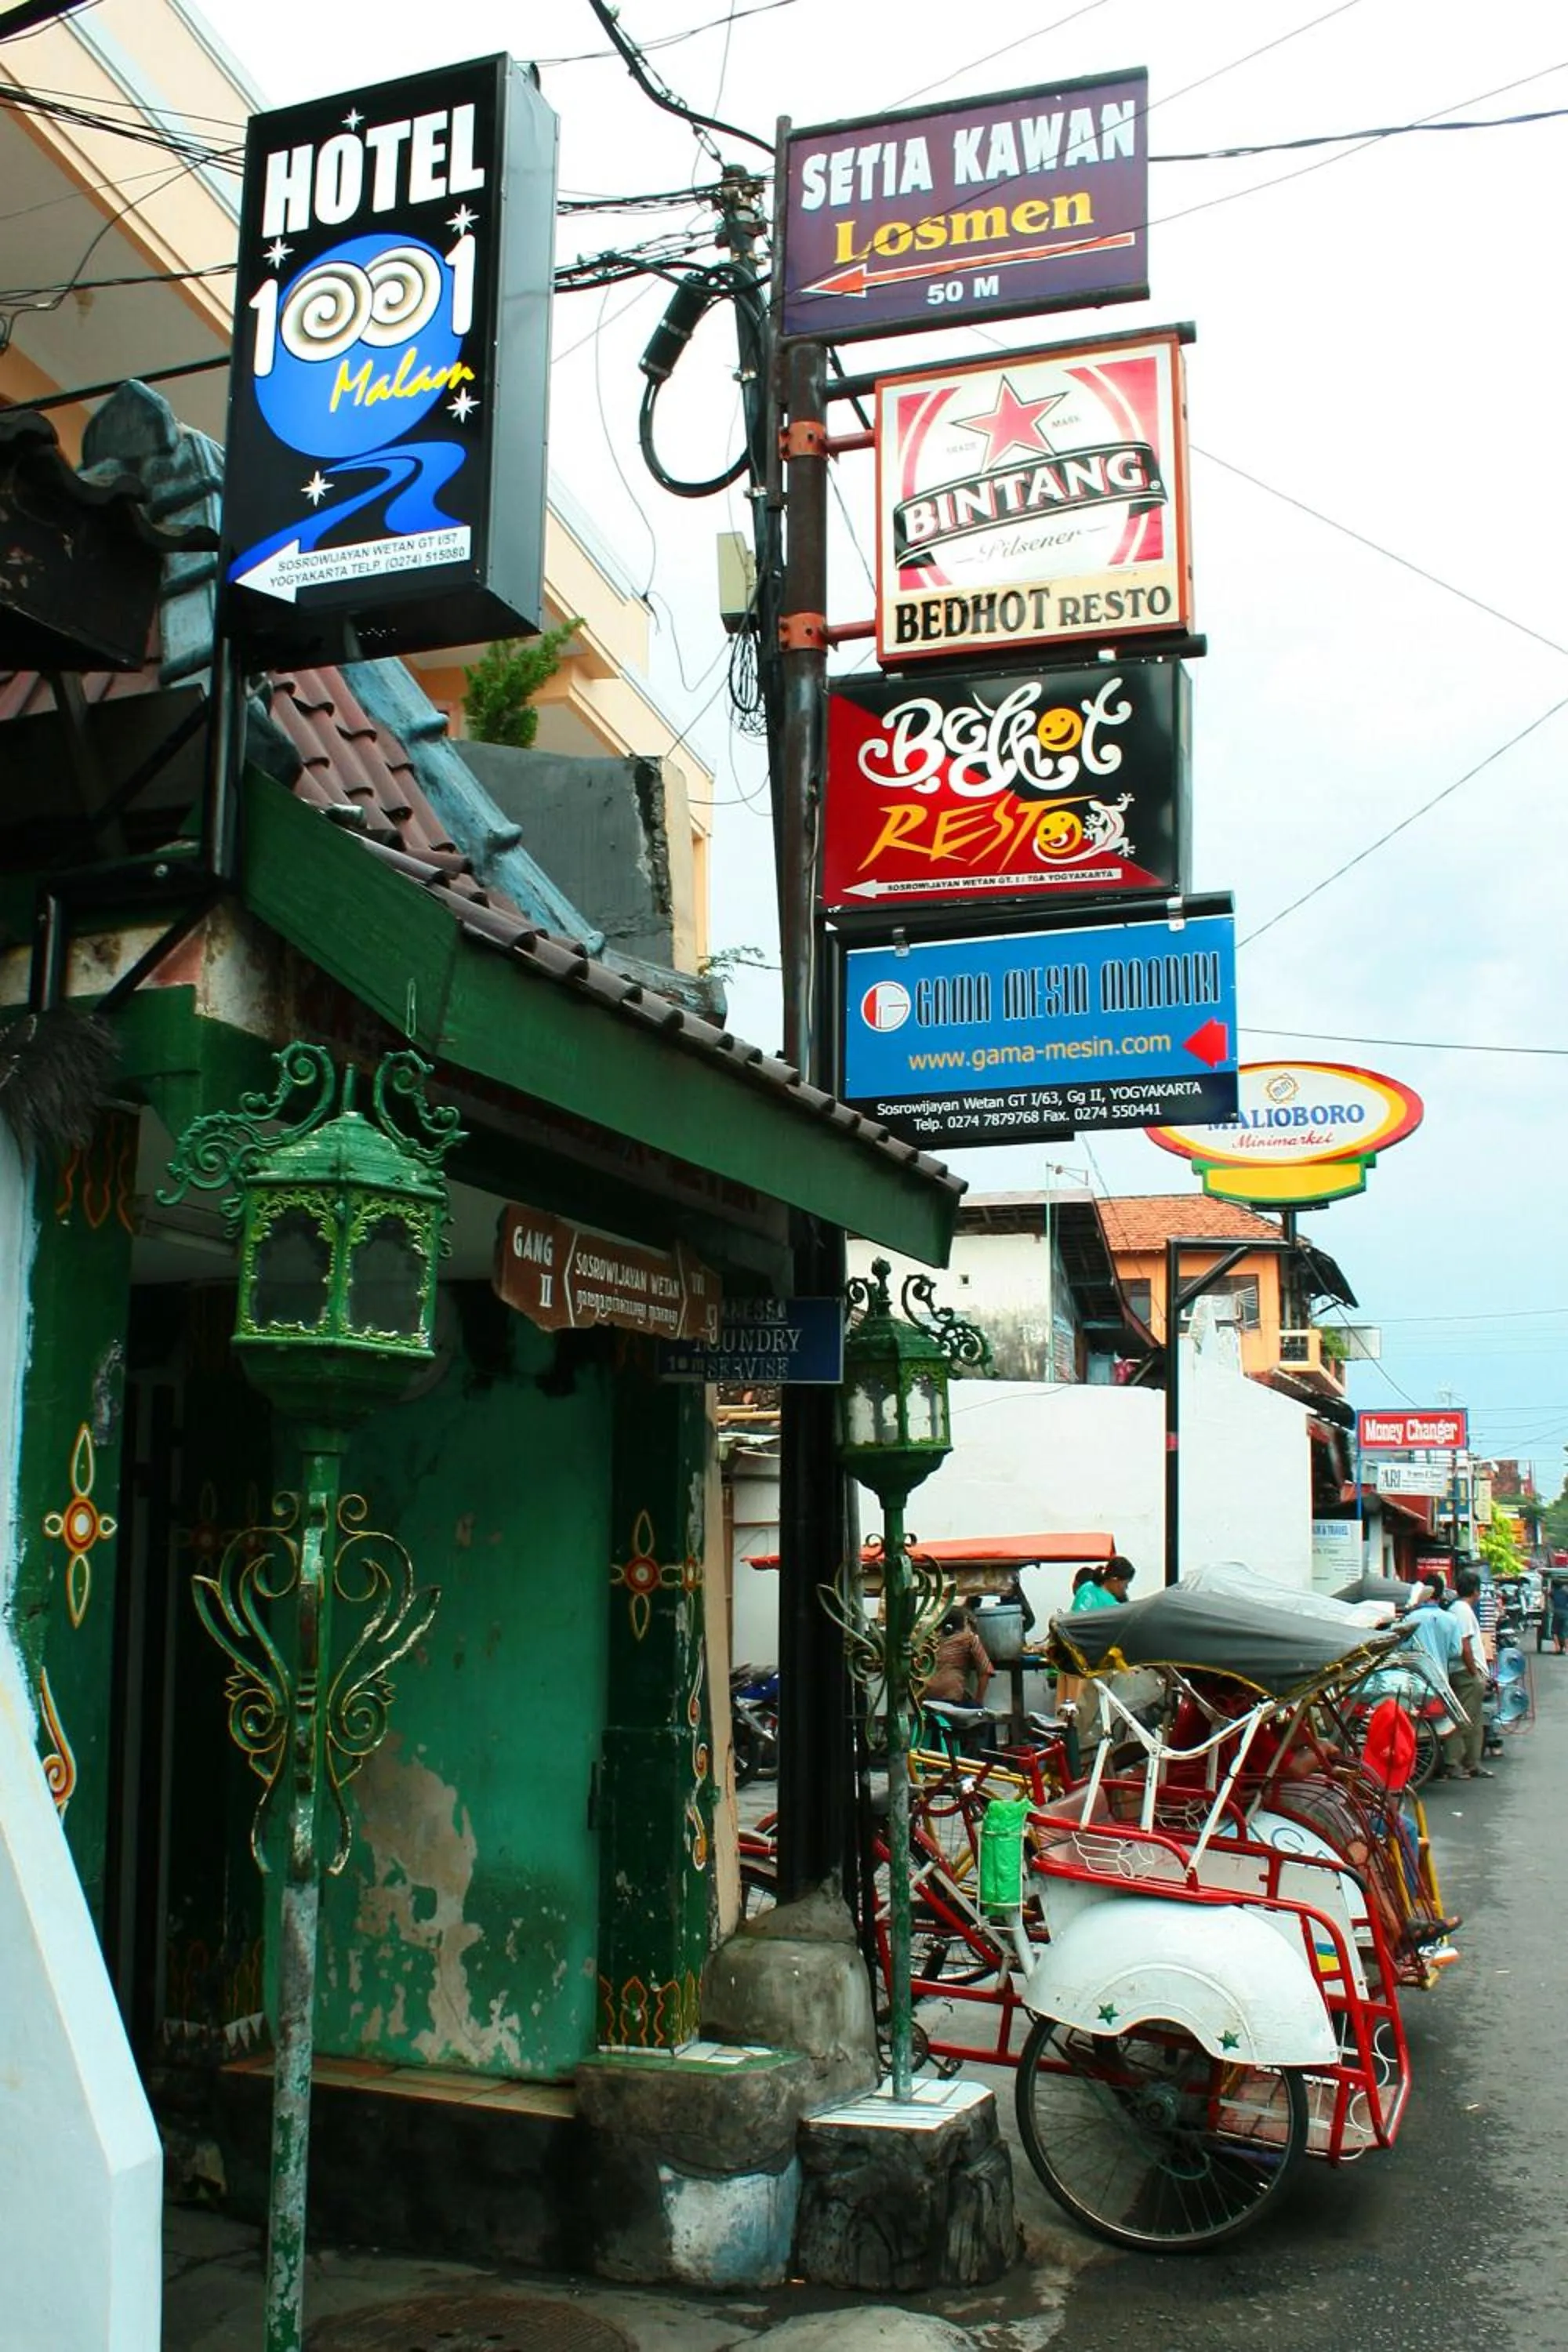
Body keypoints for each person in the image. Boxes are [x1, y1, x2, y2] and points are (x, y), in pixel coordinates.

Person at [1443, 1567, 1492, 1781]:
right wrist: (1474, 1672)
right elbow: (1465, 1645)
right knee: (1462, 1719)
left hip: (1466, 1672)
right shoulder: (1462, 1610)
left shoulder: (1459, 1609)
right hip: (1465, 1673)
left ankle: (1473, 1762)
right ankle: (1453, 1763)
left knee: (1475, 1720)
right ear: (1475, 1591)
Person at [923, 1604, 994, 1708]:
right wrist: (979, 1700)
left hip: (928, 1696)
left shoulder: (932, 1639)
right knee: (982, 1719)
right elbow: (986, 1671)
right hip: (952, 1696)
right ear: (965, 1623)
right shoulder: (969, 1638)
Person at [1070, 1555, 1135, 1613]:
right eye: (1126, 1583)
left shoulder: (1086, 1587)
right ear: (1115, 1579)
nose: (1126, 1588)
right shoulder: (1114, 1608)